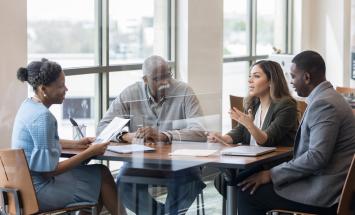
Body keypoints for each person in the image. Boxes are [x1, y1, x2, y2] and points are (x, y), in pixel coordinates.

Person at [237, 51, 355, 215]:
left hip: (324, 194)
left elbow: (317, 157)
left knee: (246, 194)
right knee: (246, 182)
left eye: (293, 76)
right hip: (327, 185)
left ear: (306, 77)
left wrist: (271, 174)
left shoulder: (324, 104)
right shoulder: (328, 98)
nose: (291, 82)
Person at [11, 59, 126, 215]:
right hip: (39, 191)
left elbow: (42, 143)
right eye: (60, 86)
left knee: (95, 176)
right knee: (102, 174)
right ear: (43, 88)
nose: (66, 89)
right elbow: (49, 172)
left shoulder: (28, 106)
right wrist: (90, 152)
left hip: (22, 188)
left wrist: (76, 144)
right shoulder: (43, 117)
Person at [97, 55, 206, 214]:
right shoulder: (130, 94)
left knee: (190, 180)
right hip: (143, 162)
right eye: (158, 79)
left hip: (180, 161)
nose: (164, 82)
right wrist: (127, 136)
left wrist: (164, 135)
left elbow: (200, 131)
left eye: (167, 75)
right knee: (124, 182)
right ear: (145, 79)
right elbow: (103, 128)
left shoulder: (184, 91)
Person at [207, 60, 298, 198]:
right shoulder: (253, 102)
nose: (250, 80)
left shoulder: (286, 106)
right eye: (250, 76)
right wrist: (222, 138)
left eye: (256, 76)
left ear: (271, 81)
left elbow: (267, 140)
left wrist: (249, 124)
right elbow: (240, 131)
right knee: (222, 180)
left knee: (231, 181)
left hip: (273, 166)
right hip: (252, 162)